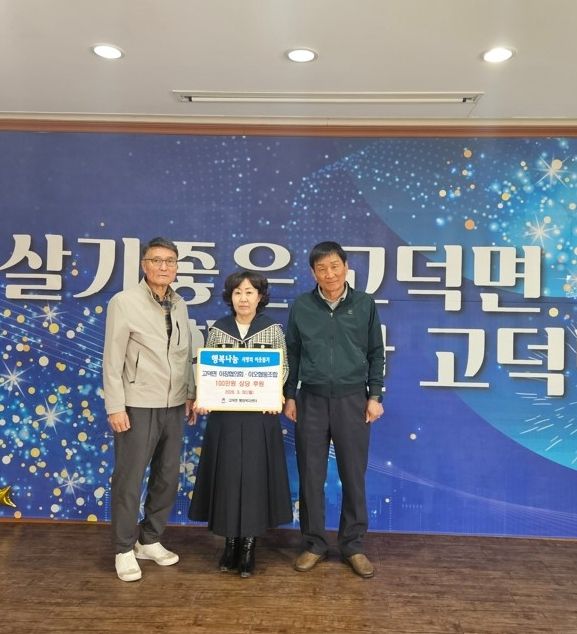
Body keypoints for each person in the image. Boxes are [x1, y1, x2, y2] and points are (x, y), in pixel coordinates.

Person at [283, 241, 385, 579]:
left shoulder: (364, 304)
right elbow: (292, 354)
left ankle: (353, 545)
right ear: (313, 273)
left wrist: (374, 395)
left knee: (353, 474)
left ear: (346, 267)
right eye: (322, 268)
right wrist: (290, 395)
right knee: (311, 475)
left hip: (352, 400)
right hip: (310, 399)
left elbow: (376, 353)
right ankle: (314, 544)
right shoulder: (302, 306)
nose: (330, 274)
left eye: (335, 266)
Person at [103, 236, 196, 582]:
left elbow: (184, 355)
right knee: (129, 478)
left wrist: (189, 394)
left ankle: (150, 539)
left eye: (170, 261)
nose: (163, 267)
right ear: (144, 265)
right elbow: (112, 359)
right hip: (137, 404)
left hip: (174, 405)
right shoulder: (124, 302)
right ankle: (124, 549)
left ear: (176, 267)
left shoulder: (180, 304)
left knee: (167, 476)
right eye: (156, 260)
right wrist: (116, 406)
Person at [189, 270, 292, 578]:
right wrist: (203, 395)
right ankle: (229, 542)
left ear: (260, 297)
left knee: (255, 479)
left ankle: (248, 545)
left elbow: (283, 367)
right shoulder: (218, 329)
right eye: (237, 293)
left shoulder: (272, 330)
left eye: (249, 292)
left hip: (261, 416)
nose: (243, 298)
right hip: (226, 418)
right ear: (229, 297)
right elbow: (208, 369)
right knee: (228, 477)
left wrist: (275, 393)